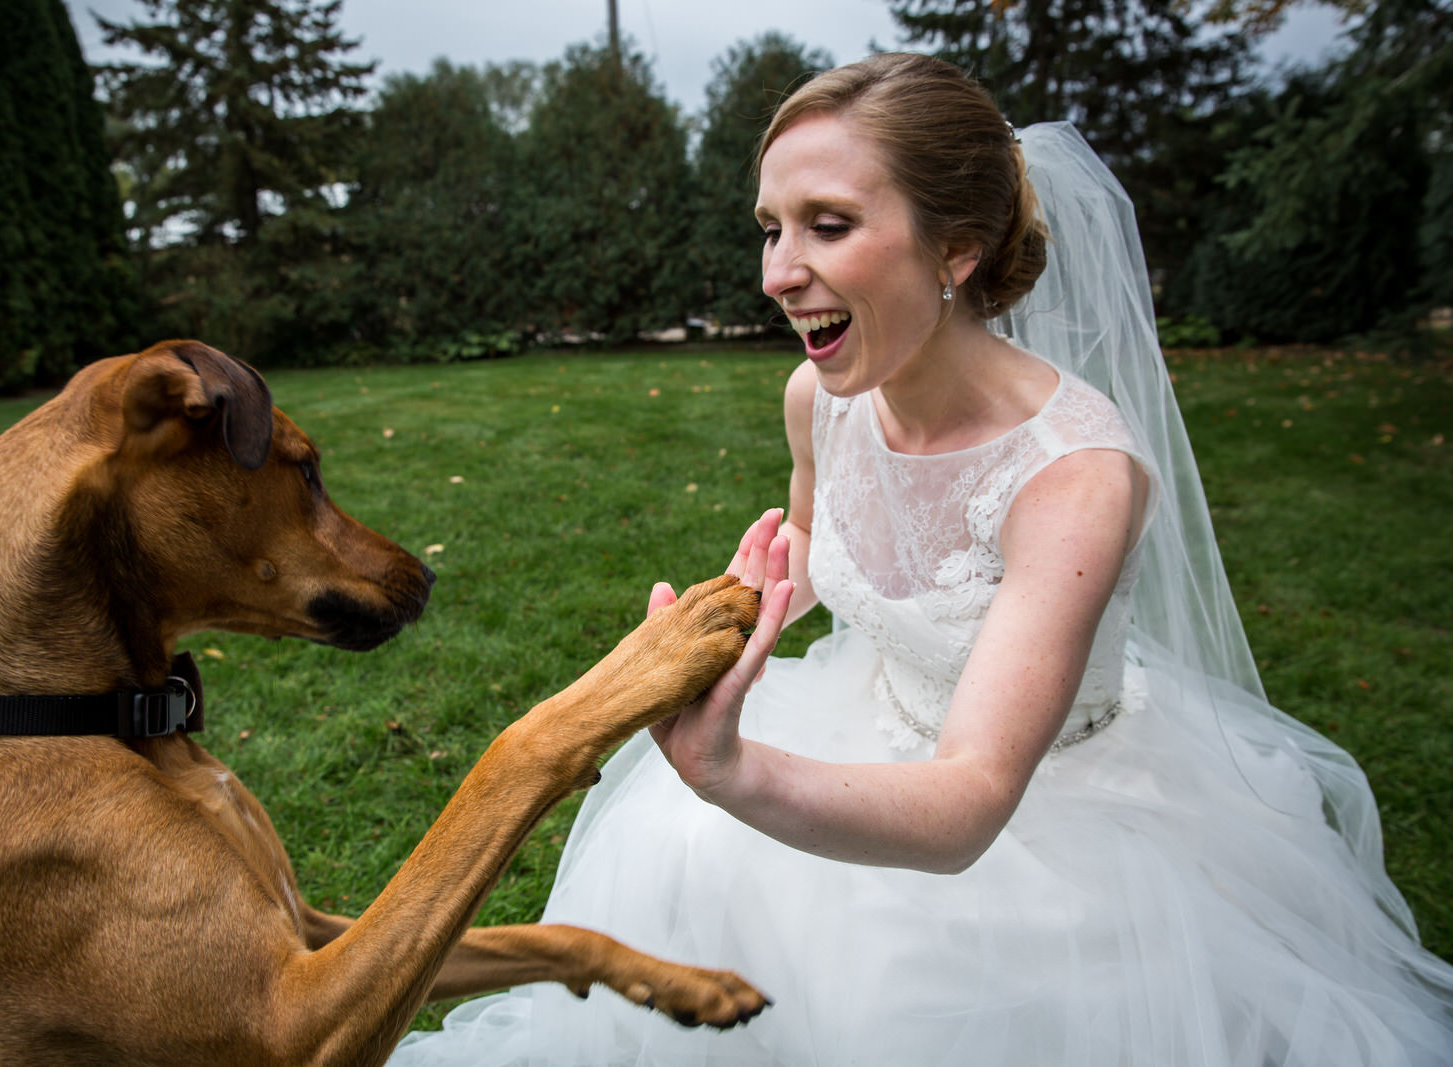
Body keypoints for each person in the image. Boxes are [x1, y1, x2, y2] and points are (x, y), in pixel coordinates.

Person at [391, 53, 1453, 1065]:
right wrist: (743, 602)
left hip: (1053, 824)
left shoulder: (1075, 476)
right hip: (865, 710)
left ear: (956, 250)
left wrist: (733, 768)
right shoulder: (823, 396)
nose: (776, 273)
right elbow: (820, 540)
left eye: (828, 225)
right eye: (770, 229)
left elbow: (970, 801)